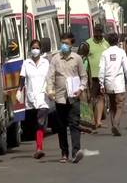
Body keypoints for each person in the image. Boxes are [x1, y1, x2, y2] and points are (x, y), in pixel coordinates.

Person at [46, 33, 88, 163]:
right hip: (59, 98)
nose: (64, 45)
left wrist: (81, 89)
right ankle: (64, 152)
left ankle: (75, 153)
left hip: (74, 98)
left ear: (72, 45)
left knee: (74, 125)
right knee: (61, 126)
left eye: (67, 43)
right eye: (62, 43)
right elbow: (50, 77)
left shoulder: (77, 59)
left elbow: (84, 76)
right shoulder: (55, 59)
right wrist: (50, 91)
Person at [18, 39, 51, 159]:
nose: (35, 50)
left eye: (37, 48)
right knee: (35, 123)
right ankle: (38, 146)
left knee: (40, 122)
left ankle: (39, 148)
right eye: (33, 48)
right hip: (31, 97)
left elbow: (50, 77)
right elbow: (22, 78)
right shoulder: (26, 63)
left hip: (43, 95)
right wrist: (19, 90)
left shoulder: (46, 63)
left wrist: (51, 90)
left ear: (41, 49)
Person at [99, 33, 127, 136]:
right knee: (120, 105)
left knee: (112, 106)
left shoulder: (104, 53)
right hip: (119, 84)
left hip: (108, 83)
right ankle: (116, 125)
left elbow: (101, 70)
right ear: (117, 41)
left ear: (108, 41)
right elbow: (126, 68)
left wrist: (101, 84)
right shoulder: (121, 52)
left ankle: (114, 126)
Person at [86, 24, 110, 129]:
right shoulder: (88, 43)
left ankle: (98, 121)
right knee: (90, 99)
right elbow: (83, 58)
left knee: (101, 98)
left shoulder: (106, 44)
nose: (98, 34)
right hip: (91, 76)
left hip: (103, 76)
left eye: (100, 32)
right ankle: (90, 121)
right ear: (94, 32)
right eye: (97, 32)